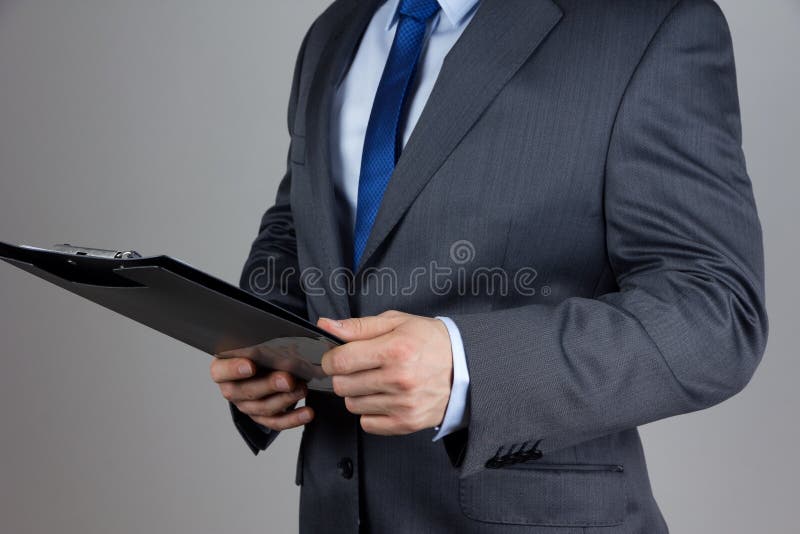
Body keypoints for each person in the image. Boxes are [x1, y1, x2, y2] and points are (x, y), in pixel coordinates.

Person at [210, 0, 768, 532]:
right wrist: (269, 345)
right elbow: (298, 220)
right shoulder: (335, 29)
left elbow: (716, 314)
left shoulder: (650, 25)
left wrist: (464, 367)